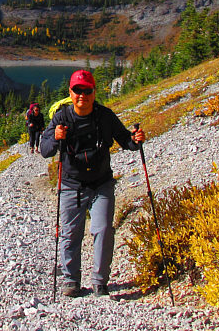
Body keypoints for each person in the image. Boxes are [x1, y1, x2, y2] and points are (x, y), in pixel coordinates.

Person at [39, 69, 145, 299]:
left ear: (94, 92)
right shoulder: (61, 118)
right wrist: (56, 138)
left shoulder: (105, 116)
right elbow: (45, 150)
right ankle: (71, 281)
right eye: (78, 90)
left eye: (87, 91)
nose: (82, 95)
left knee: (104, 229)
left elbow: (125, 139)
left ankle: (100, 282)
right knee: (69, 233)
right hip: (71, 184)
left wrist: (135, 141)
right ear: (71, 92)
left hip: (101, 183)